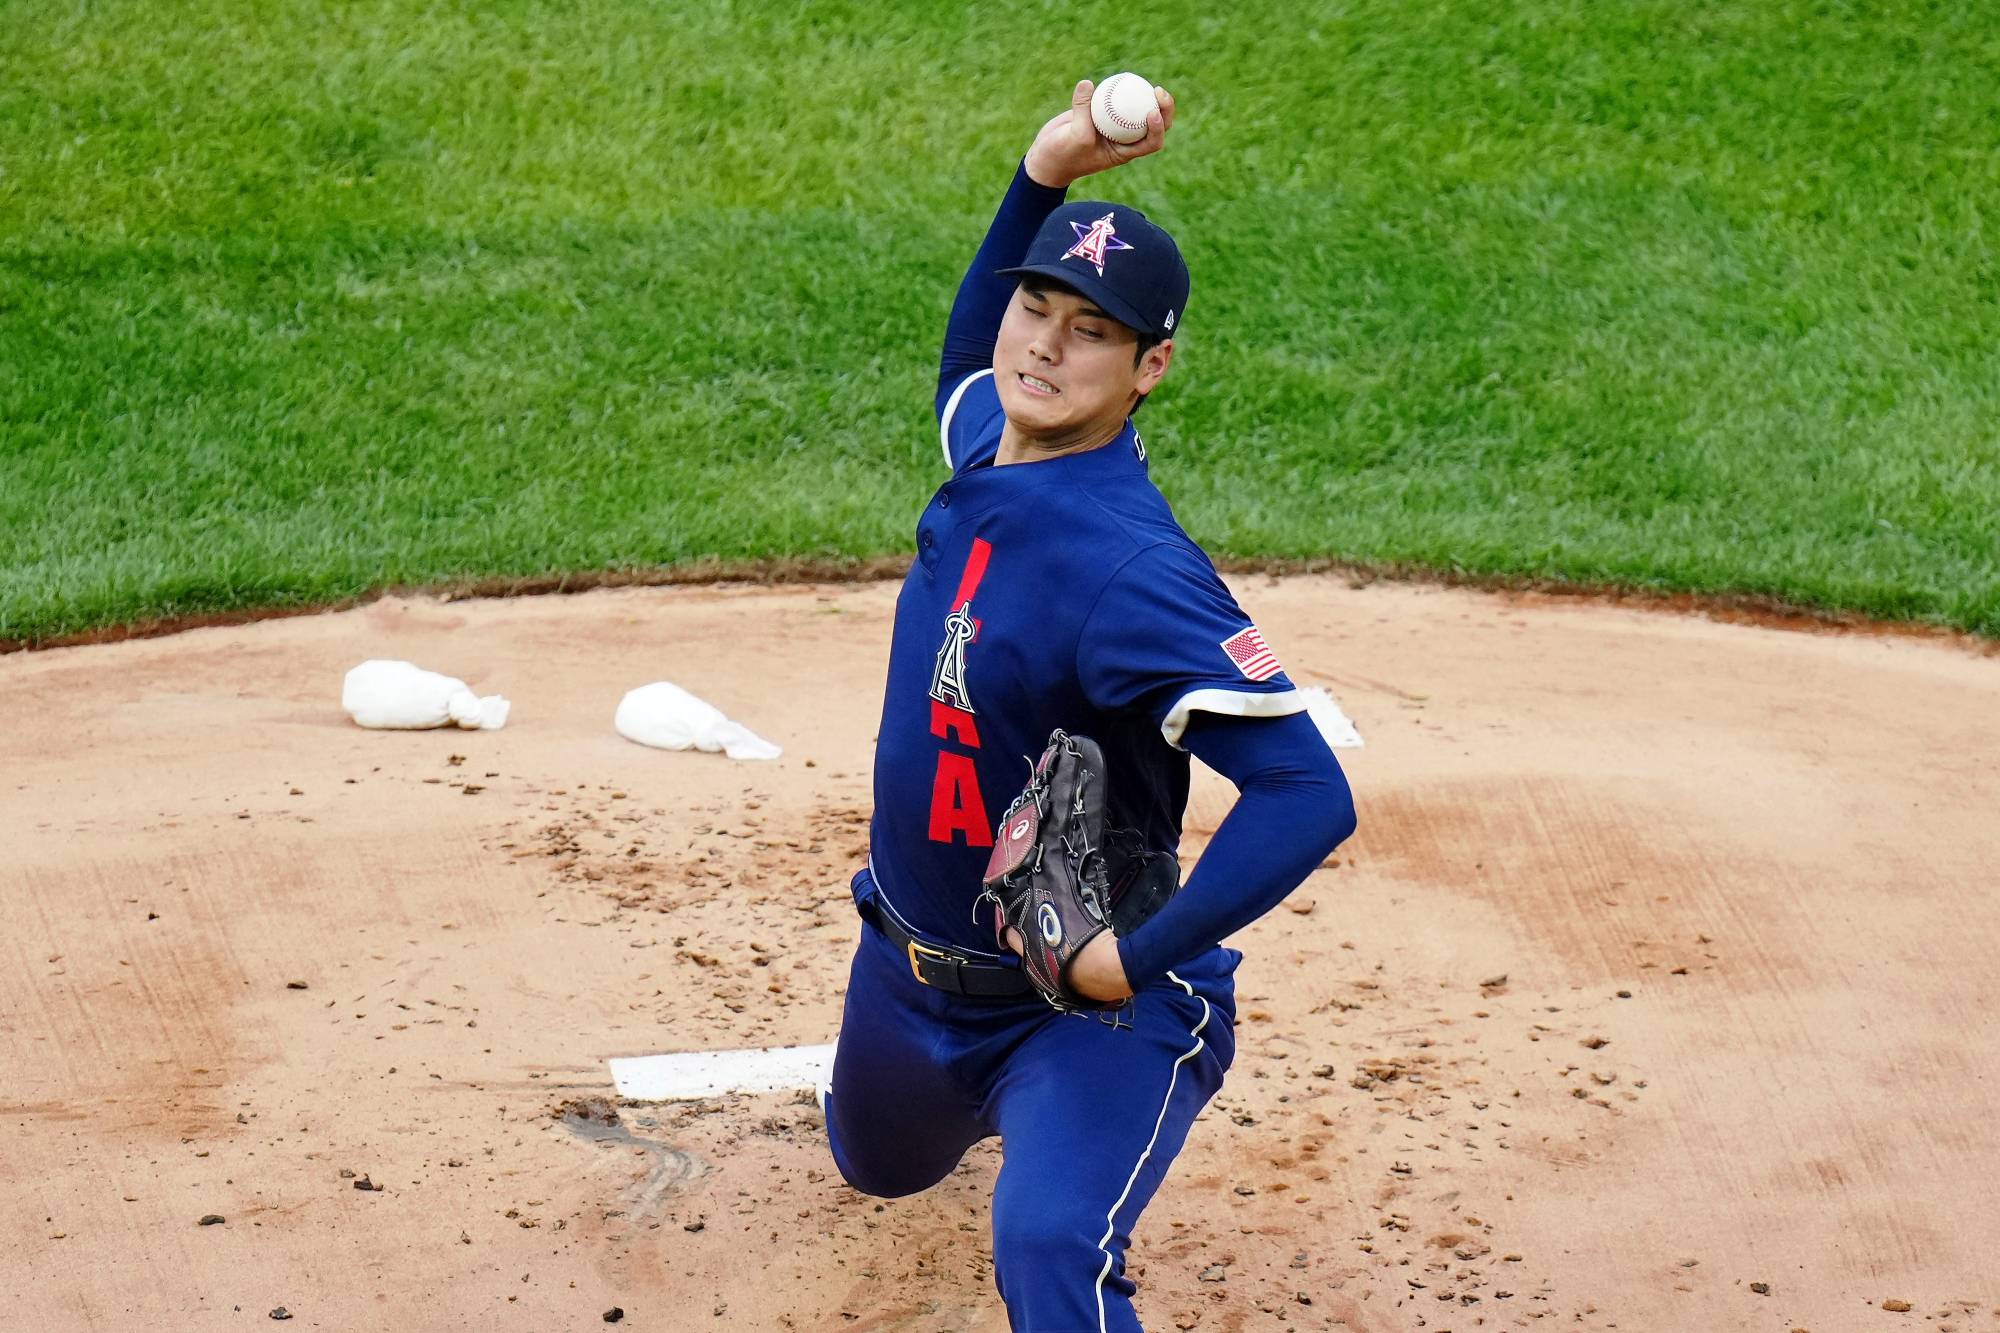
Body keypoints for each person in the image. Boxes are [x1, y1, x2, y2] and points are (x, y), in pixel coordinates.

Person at [821, 79, 1358, 1332]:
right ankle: (947, 1105)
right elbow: (970, 356)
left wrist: (1131, 959)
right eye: (1037, 306)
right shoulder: (990, 449)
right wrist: (1044, 167)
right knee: (873, 1160)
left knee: (1050, 1244)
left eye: (1092, 333)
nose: (1045, 349)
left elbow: (1306, 792)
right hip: (904, 975)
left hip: (1072, 1005)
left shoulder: (1132, 572)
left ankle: (1109, 1086)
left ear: (1149, 366)